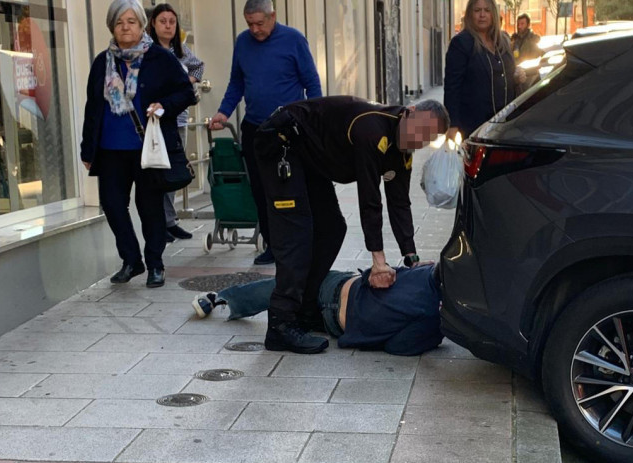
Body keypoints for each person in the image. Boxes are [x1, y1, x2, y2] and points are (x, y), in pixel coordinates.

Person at [252, 96, 449, 354]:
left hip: (312, 161)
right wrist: (378, 261)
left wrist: (411, 257)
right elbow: (370, 199)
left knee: (333, 229)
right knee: (297, 235)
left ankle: (305, 310)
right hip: (283, 145)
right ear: (410, 112)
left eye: (427, 138)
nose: (419, 140)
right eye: (421, 130)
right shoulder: (372, 128)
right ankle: (281, 323)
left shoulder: (402, 154)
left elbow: (399, 204)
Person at [80, 0, 196, 288]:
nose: (125, 27)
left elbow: (187, 92)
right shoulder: (102, 62)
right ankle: (132, 260)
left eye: (131, 21)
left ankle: (155, 263)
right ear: (112, 27)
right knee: (113, 206)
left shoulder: (159, 57)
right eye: (119, 22)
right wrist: (87, 149)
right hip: (109, 150)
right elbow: (92, 107)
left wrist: (163, 106)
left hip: (148, 148)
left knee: (150, 207)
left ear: (142, 25)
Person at [208, 0, 321, 265]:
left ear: (273, 16)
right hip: (255, 127)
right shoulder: (243, 42)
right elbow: (236, 82)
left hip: (287, 128)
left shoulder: (293, 39)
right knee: (260, 188)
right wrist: (224, 112)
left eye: (260, 23)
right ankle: (273, 244)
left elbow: (311, 82)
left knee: (290, 187)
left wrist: (316, 117)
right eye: (250, 24)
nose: (255, 30)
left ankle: (300, 242)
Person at [192, 263, 443, 356]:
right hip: (335, 296)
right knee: (281, 291)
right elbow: (398, 346)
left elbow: (398, 346)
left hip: (332, 315)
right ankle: (220, 297)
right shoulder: (433, 313)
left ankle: (220, 298)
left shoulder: (429, 286)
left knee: (283, 296)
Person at [147, 3, 205, 244]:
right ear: (153, 24)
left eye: (172, 21)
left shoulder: (179, 50)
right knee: (154, 172)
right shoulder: (146, 51)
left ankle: (170, 220)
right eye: (163, 21)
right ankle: (158, 223)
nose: (168, 26)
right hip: (152, 121)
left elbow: (199, 67)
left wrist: (185, 81)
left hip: (177, 118)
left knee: (173, 172)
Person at [444, 0, 525, 140]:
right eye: (477, 10)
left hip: (506, 123)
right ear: (470, 14)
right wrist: (452, 124)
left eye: (487, 10)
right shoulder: (461, 42)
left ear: (493, 14)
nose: (482, 15)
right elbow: (452, 86)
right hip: (475, 125)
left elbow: (508, 71)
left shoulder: (503, 40)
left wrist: (517, 75)